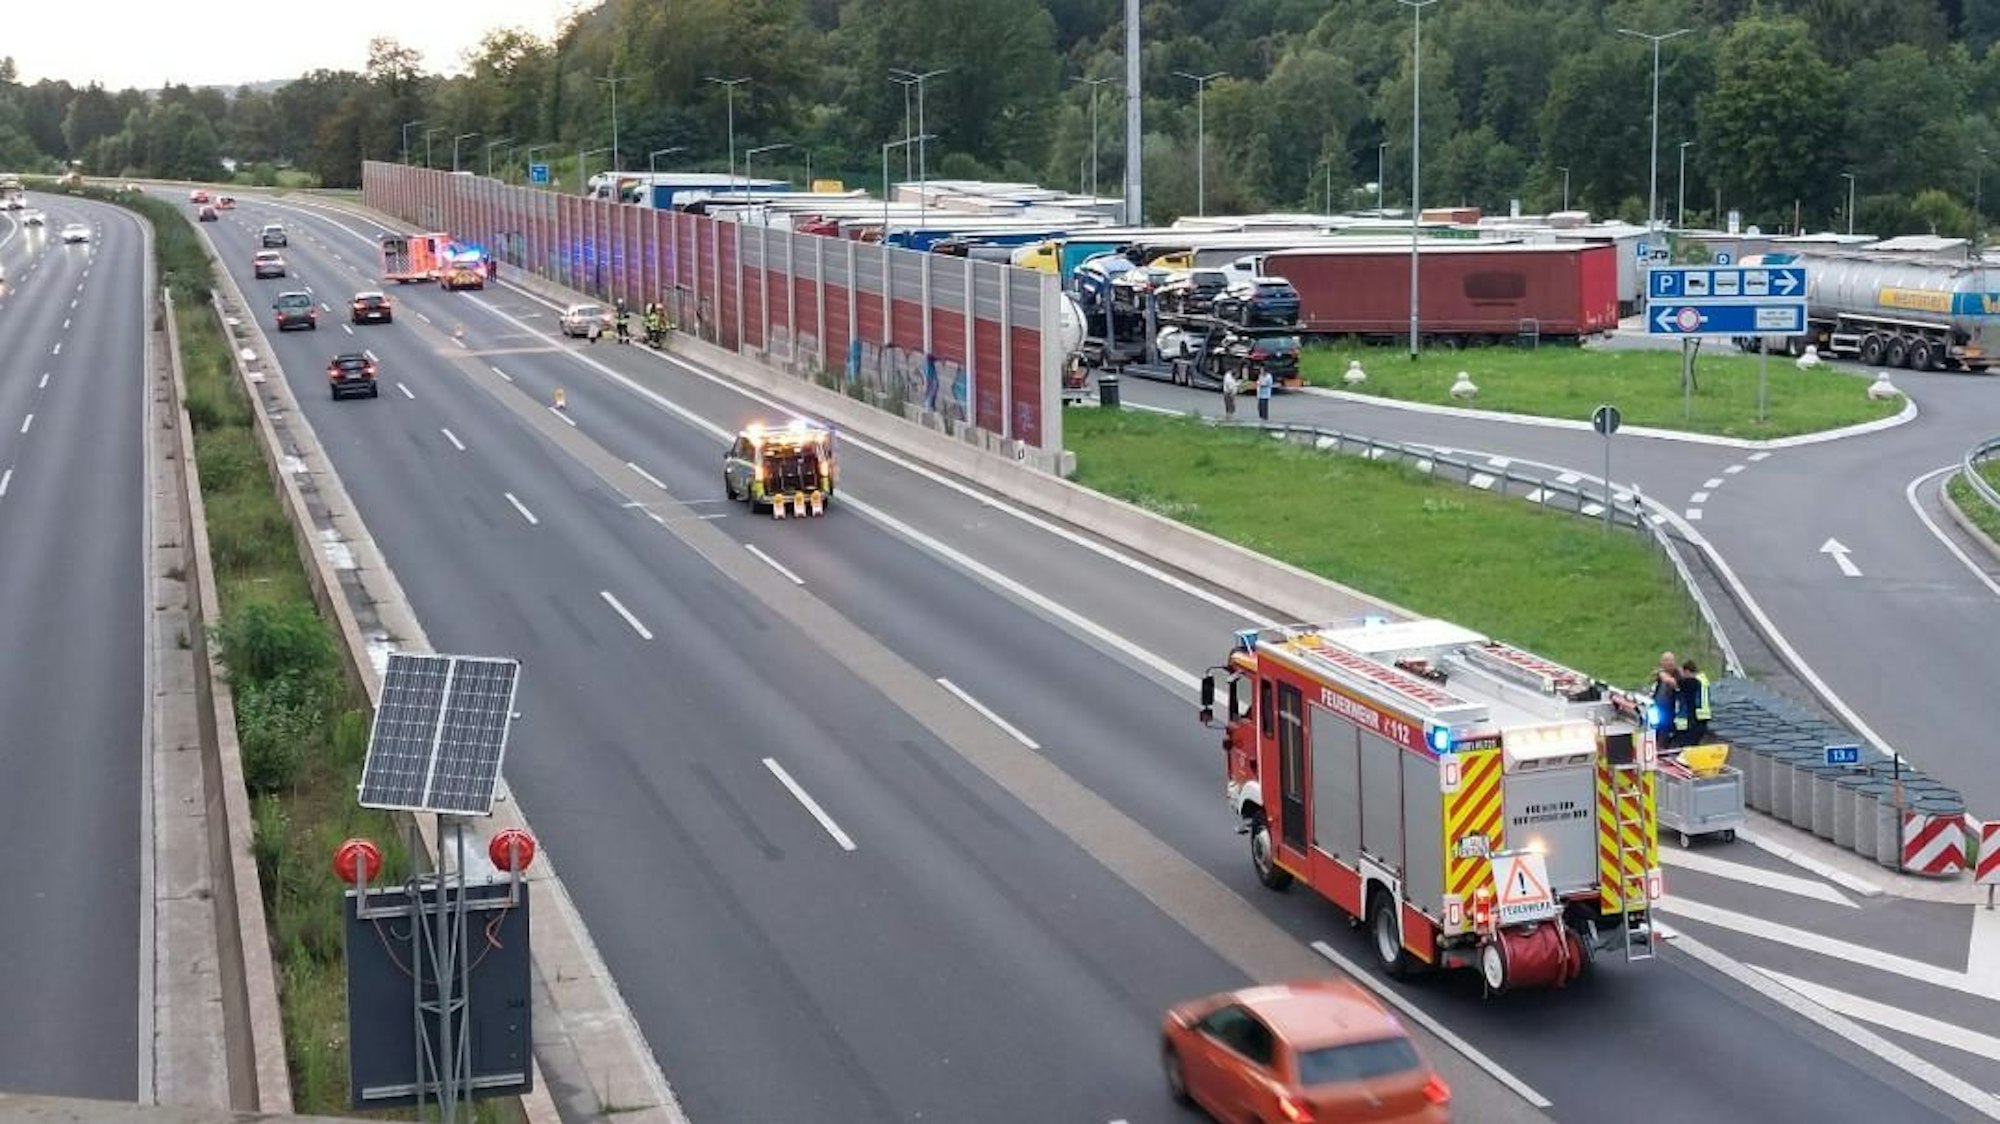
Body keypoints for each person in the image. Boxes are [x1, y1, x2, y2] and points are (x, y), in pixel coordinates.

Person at [1676, 659, 1713, 747]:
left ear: (1687, 671)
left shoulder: (1694, 682)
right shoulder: (1704, 680)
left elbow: (1677, 683)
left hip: (1697, 717)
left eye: (1683, 674)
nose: (1683, 676)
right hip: (1704, 716)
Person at [1650, 652, 1682, 743]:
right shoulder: (1660, 677)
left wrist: (1661, 673)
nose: (1668, 663)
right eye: (1665, 660)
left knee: (1666, 736)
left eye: (1670, 660)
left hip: (1672, 713)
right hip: (1658, 712)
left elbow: (1672, 682)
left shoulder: (1678, 675)